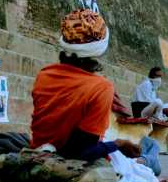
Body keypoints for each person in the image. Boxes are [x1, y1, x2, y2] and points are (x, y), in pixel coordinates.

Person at [30, 9, 140, 162]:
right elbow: (81, 152)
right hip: (68, 162)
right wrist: (117, 144)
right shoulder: (101, 88)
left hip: (39, 151)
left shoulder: (44, 74)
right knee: (149, 153)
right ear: (99, 51)